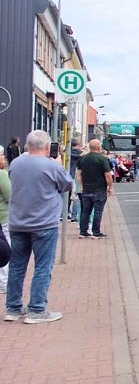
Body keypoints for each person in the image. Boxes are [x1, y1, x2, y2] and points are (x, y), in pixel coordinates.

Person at [4, 130, 74, 323]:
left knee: (17, 267)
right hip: (44, 223)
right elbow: (67, 184)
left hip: (18, 222)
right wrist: (59, 165)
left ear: (27, 145)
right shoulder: (51, 166)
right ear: (46, 146)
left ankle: (13, 308)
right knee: (43, 267)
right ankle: (37, 309)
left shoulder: (16, 163)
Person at [76, 139, 114, 239]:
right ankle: (96, 232)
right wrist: (110, 187)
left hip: (86, 189)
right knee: (98, 211)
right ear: (98, 147)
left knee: (85, 210)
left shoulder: (83, 159)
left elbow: (79, 174)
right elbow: (107, 175)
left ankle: (83, 231)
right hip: (99, 189)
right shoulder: (102, 159)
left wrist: (81, 185)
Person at [0, 154, 11, 293]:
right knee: (4, 249)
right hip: (3, 217)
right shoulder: (2, 175)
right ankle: (3, 283)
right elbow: (10, 195)